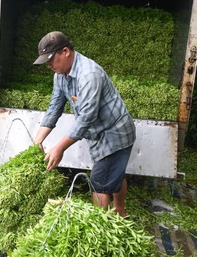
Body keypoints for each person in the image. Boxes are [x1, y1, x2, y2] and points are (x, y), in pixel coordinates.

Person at [33, 31, 136, 217]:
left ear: (65, 51)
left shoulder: (88, 74)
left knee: (100, 182)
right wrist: (38, 140)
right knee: (115, 173)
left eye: (51, 59)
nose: (48, 65)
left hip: (115, 133)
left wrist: (59, 148)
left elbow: (86, 117)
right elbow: (55, 106)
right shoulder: (60, 75)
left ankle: (99, 228)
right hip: (100, 133)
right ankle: (121, 213)